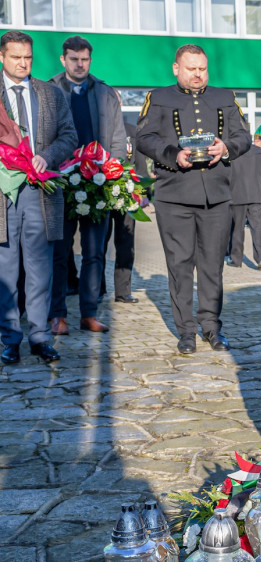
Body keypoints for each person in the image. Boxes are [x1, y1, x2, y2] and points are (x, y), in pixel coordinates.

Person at [135, 44, 251, 354]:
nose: (198, 74)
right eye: (191, 69)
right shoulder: (157, 98)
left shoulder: (225, 98)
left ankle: (212, 327)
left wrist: (226, 148)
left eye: (202, 69)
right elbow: (144, 137)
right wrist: (173, 155)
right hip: (174, 195)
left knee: (213, 265)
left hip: (217, 195)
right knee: (180, 264)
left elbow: (244, 135)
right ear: (176, 69)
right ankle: (186, 330)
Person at [0, 30, 78, 365]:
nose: (22, 63)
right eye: (16, 57)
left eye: (28, 57)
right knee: (5, 269)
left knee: (40, 268)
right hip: (2, 195)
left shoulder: (50, 93)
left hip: (40, 191)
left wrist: (47, 155)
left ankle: (39, 337)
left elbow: (69, 135)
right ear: (2, 57)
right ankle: (9, 338)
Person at [48, 35, 128, 336]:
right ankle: (57, 315)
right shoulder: (50, 90)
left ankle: (89, 313)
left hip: (97, 183)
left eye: (85, 60)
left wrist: (111, 172)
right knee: (59, 253)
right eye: (74, 59)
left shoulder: (105, 93)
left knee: (95, 254)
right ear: (63, 59)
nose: (80, 64)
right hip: (61, 184)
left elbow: (118, 139)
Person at [105, 119, 148, 304]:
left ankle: (123, 291)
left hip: (128, 194)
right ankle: (97, 289)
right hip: (103, 192)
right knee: (99, 244)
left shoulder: (131, 130)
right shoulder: (99, 125)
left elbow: (140, 164)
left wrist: (143, 193)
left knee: (125, 244)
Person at [227, 127, 261, 270]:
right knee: (257, 228)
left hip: (237, 195)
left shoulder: (233, 152)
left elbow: (229, 175)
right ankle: (260, 259)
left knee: (237, 229)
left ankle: (236, 260)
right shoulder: (260, 151)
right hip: (256, 194)